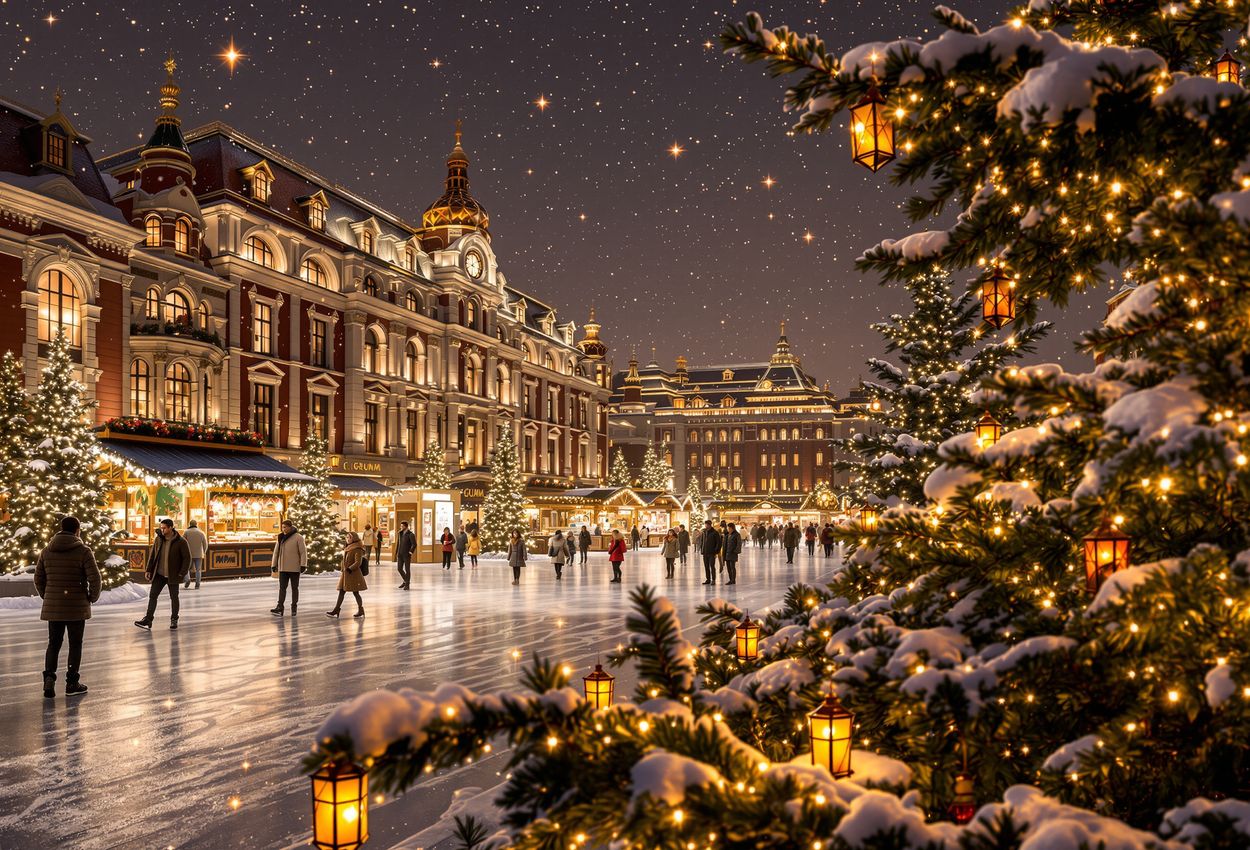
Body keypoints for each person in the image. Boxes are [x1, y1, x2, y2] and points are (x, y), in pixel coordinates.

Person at [35, 516, 101, 698]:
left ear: (61, 528)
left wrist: (48, 595)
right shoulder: (83, 551)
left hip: (54, 606)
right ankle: (72, 683)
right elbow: (95, 578)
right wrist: (92, 597)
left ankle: (49, 678)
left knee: (54, 643)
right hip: (76, 607)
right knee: (75, 644)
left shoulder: (47, 550)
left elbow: (38, 578)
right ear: (77, 530)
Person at [135, 517, 191, 631]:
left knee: (174, 597)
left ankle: (174, 619)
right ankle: (148, 619)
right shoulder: (159, 539)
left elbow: (187, 558)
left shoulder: (180, 541)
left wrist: (182, 573)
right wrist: (148, 570)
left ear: (171, 528)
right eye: (161, 528)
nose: (162, 530)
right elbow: (153, 555)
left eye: (164, 528)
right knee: (153, 596)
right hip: (159, 574)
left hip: (173, 574)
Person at [269, 520, 307, 616]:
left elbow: (303, 552)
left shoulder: (298, 537)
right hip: (283, 568)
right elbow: (276, 552)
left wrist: (303, 564)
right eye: (282, 527)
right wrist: (274, 564)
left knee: (294, 588)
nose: (283, 529)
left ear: (290, 527)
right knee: (282, 588)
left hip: (294, 568)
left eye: (285, 527)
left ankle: (294, 607)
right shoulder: (281, 537)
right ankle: (280, 607)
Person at [326, 532, 367, 618]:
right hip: (346, 574)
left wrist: (349, 568)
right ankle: (336, 609)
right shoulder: (348, 548)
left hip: (353, 574)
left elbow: (358, 562)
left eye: (349, 537)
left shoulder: (357, 548)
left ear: (354, 538)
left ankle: (360, 609)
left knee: (356, 593)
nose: (347, 539)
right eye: (347, 537)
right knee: (341, 591)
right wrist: (343, 568)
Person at [182, 520, 207, 589]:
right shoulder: (201, 532)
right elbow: (205, 544)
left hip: (189, 554)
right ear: (196, 524)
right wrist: (204, 552)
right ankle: (197, 584)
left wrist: (183, 552)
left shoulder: (186, 532)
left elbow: (182, 542)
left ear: (189, 524)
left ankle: (187, 579)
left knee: (186, 568)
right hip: (199, 554)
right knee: (198, 569)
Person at [699, 520, 721, 586]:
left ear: (710, 525)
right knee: (706, 566)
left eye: (707, 524)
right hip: (705, 552)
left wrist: (715, 552)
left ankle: (713, 579)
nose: (705, 525)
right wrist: (702, 549)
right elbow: (702, 541)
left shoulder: (715, 532)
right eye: (705, 524)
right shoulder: (704, 532)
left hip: (712, 553)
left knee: (712, 566)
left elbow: (718, 543)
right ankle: (708, 579)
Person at [395, 520, 416, 589]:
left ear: (405, 526)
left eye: (402, 526)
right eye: (401, 526)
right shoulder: (400, 533)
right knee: (399, 569)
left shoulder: (411, 534)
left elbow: (414, 544)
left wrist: (410, 552)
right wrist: (396, 552)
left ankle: (407, 584)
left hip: (406, 555)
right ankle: (406, 581)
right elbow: (398, 544)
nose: (401, 527)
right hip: (400, 554)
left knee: (407, 569)